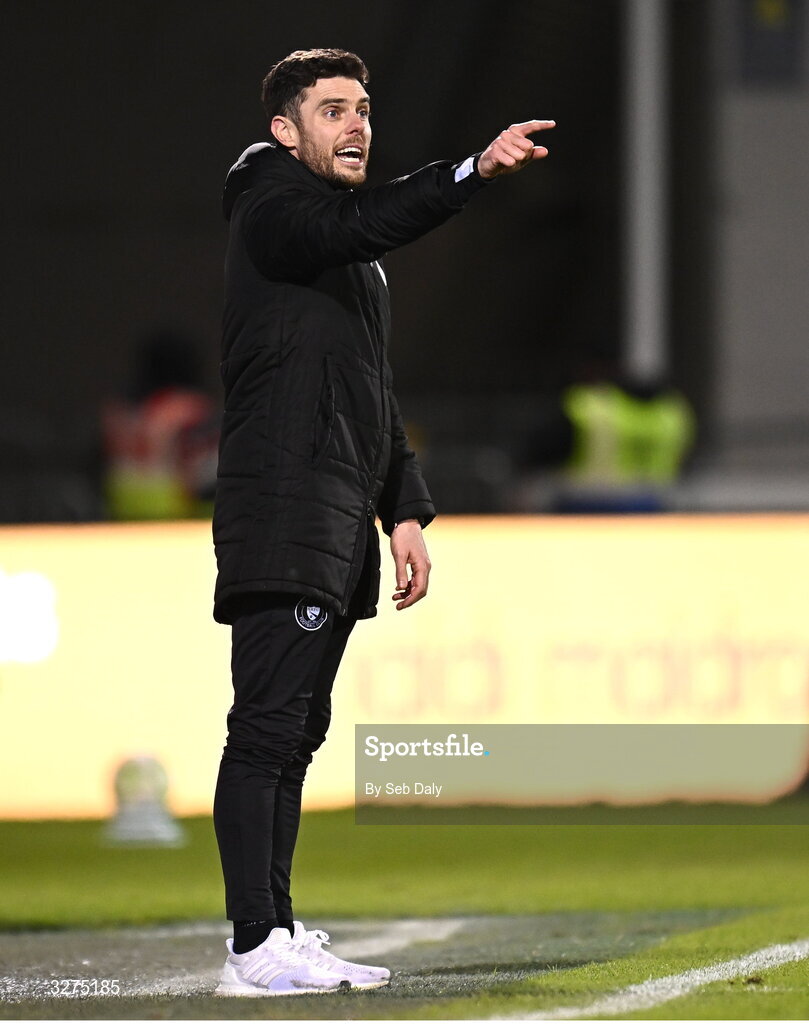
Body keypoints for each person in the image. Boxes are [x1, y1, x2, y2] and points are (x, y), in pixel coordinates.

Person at [211, 48, 554, 998]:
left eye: (362, 108)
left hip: (327, 514)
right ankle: (252, 942)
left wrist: (402, 509)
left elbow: (370, 393)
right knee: (268, 730)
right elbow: (367, 218)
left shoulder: (346, 261)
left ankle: (272, 933)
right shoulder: (271, 206)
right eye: (332, 111)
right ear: (285, 131)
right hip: (281, 506)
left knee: (296, 730)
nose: (356, 124)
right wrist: (467, 172)